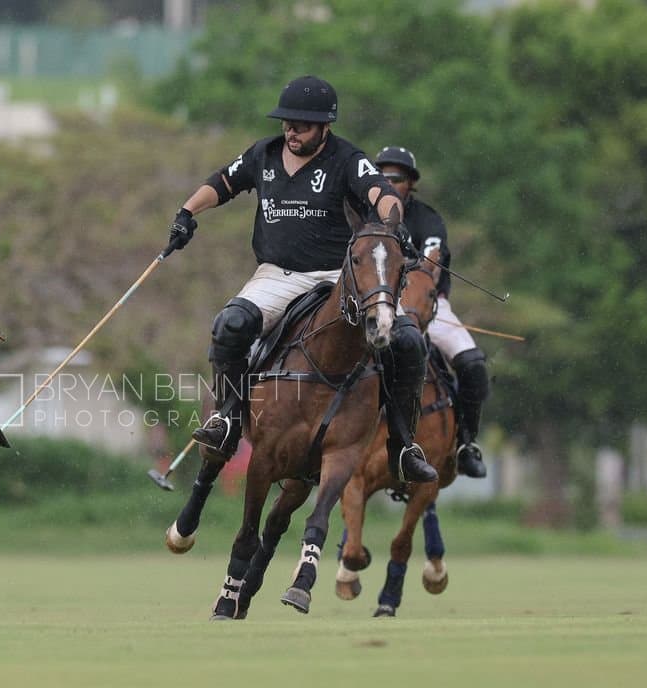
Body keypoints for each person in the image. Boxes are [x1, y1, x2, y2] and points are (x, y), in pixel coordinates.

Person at [165, 76, 438, 484]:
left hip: (338, 277)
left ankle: (402, 445)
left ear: (325, 126)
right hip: (278, 274)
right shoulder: (264, 154)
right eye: (287, 123)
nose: (292, 131)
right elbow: (222, 182)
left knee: (409, 341)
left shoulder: (346, 158)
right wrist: (187, 213)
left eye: (302, 125)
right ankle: (228, 420)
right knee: (230, 326)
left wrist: (392, 223)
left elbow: (381, 193)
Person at [373, 146, 489, 478]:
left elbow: (431, 261)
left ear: (411, 183)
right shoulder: (363, 216)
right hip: (376, 305)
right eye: (382, 176)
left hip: (427, 306)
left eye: (397, 177)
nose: (389, 182)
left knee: (473, 365)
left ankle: (466, 444)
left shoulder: (427, 219)